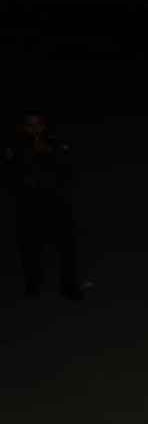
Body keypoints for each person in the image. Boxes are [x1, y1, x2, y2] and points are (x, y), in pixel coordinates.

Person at [3, 113, 83, 300]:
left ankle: (69, 285)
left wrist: (50, 153)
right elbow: (10, 174)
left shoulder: (55, 141)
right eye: (29, 125)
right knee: (29, 247)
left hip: (56, 201)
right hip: (29, 204)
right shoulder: (15, 145)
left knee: (66, 246)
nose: (34, 129)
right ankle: (33, 285)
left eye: (38, 124)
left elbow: (68, 167)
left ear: (44, 125)